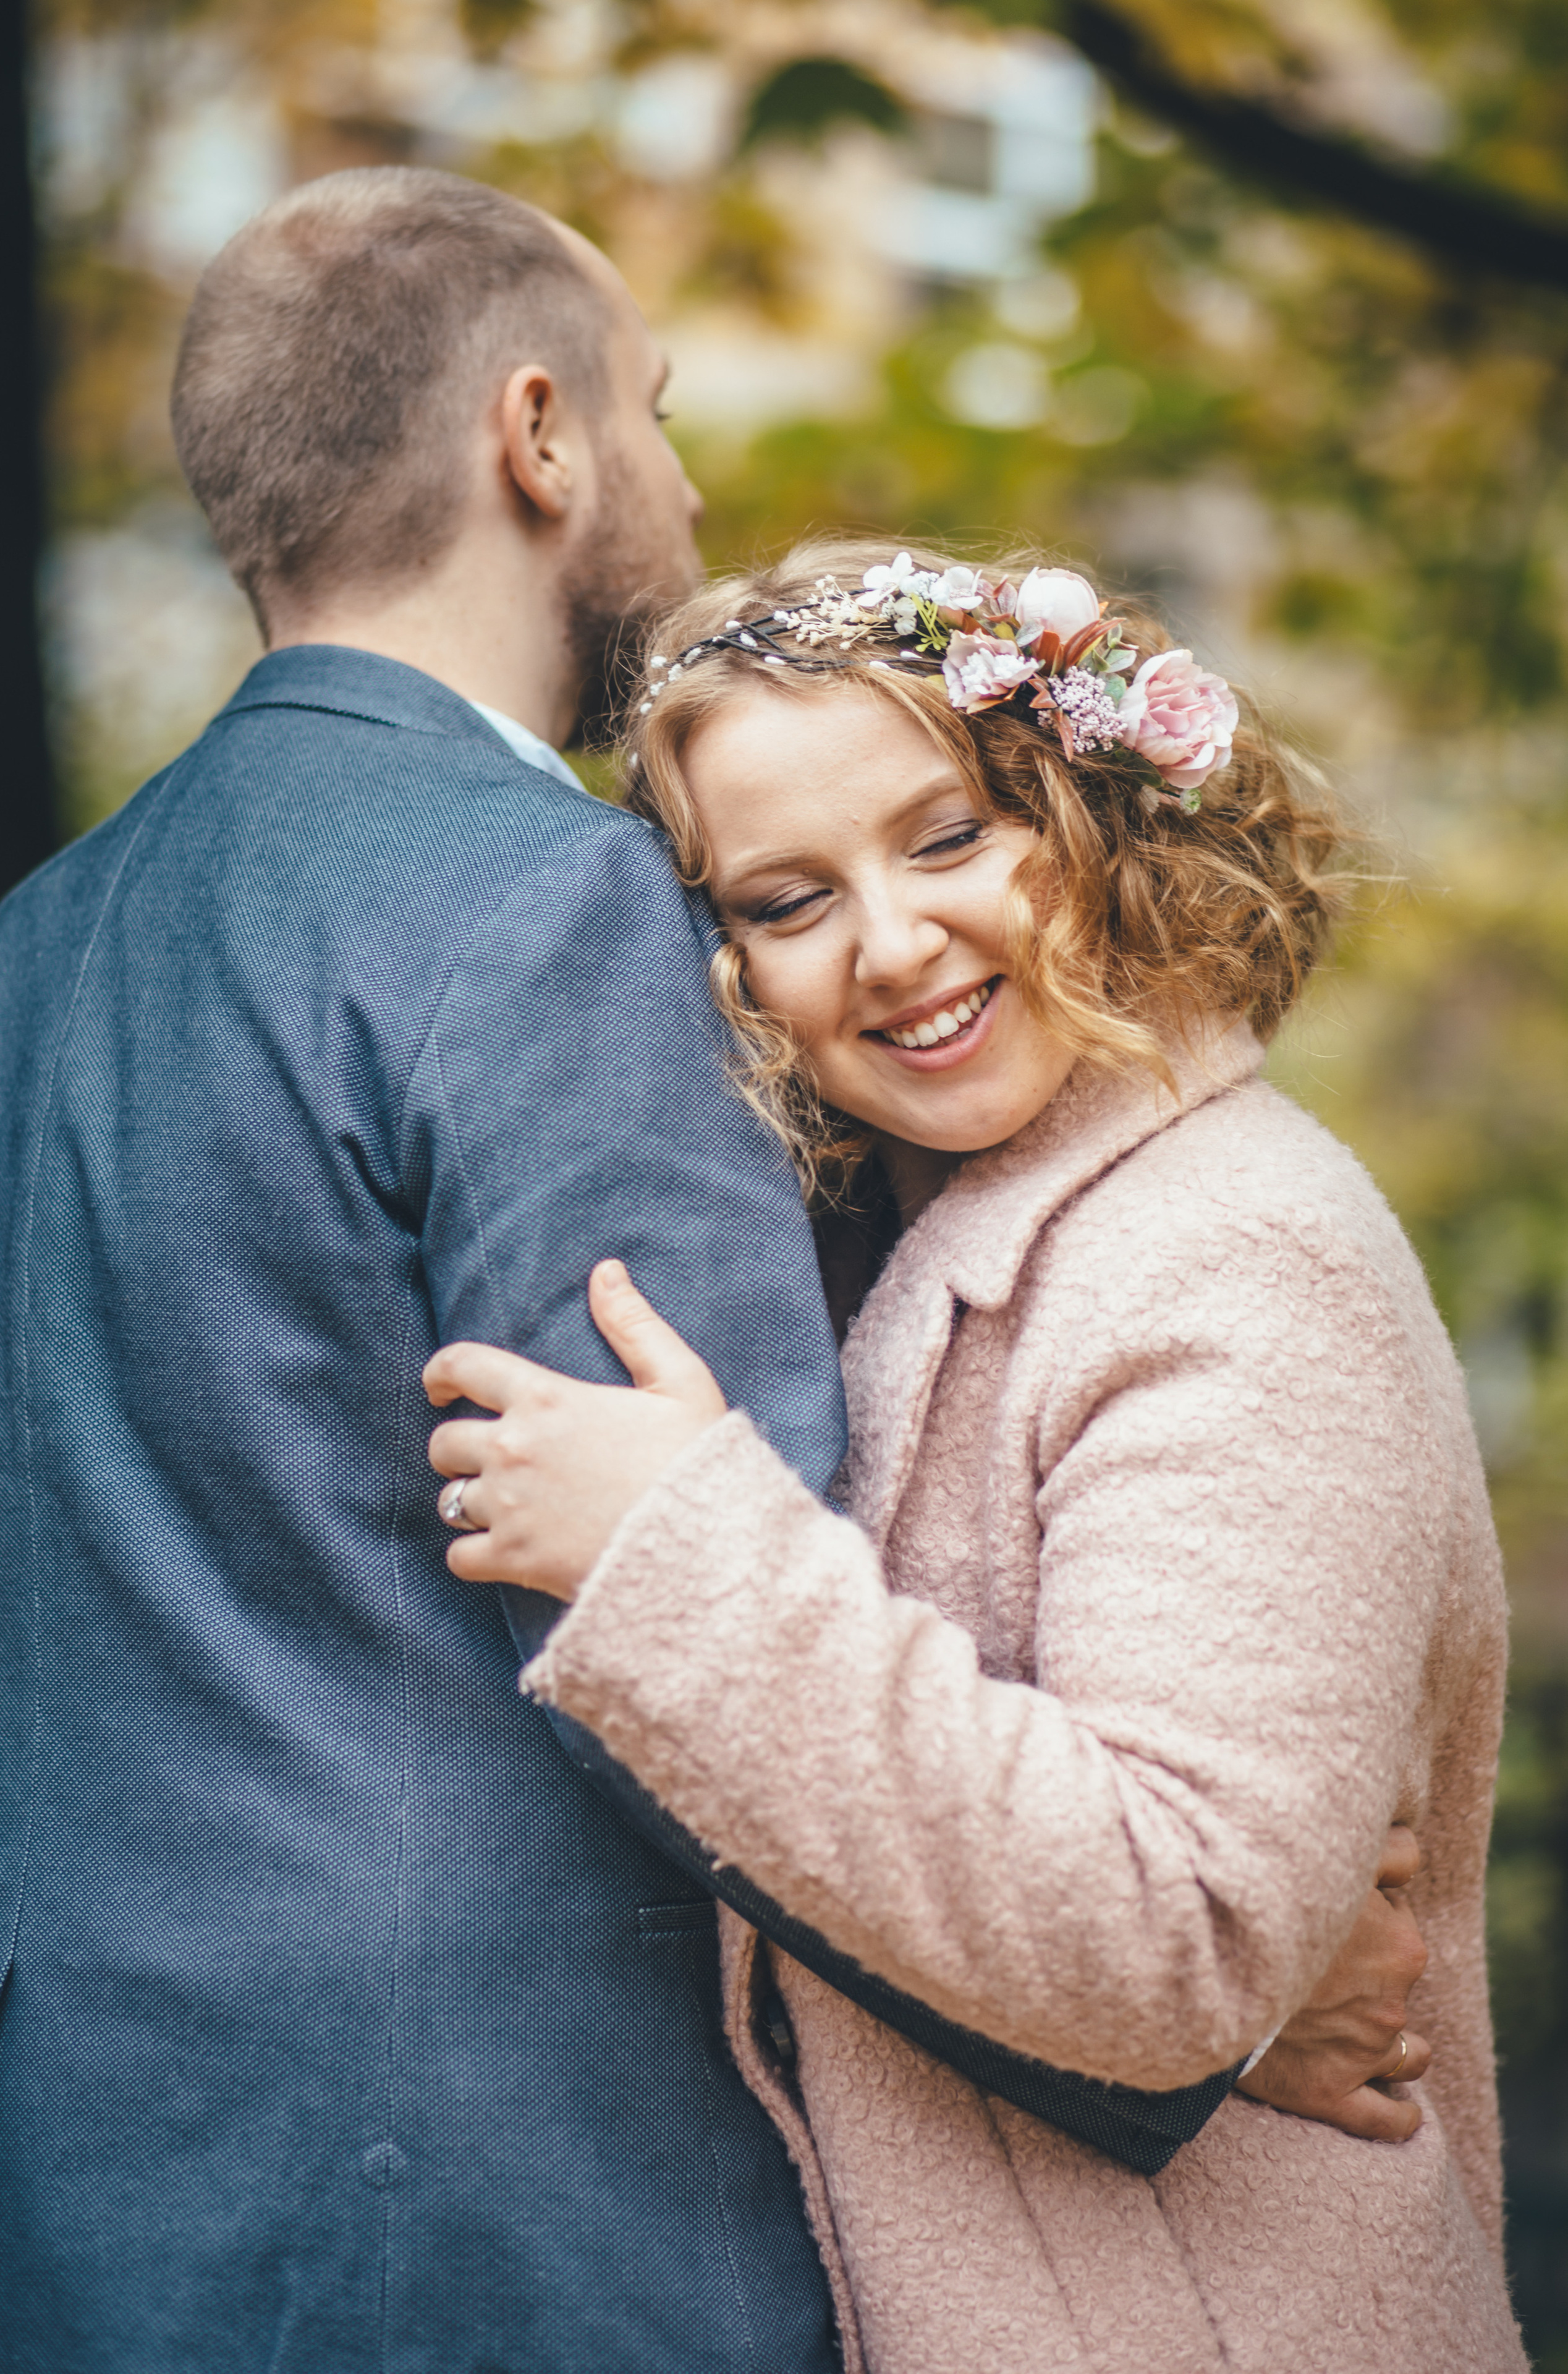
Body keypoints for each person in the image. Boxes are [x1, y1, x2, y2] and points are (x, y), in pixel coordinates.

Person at [0, 161, 1425, 2367]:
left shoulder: (35, 947)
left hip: (94, 2189)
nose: (677, 479)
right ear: (541, 438)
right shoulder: (546, 908)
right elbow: (696, 1636)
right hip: (519, 2211)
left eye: (950, 837)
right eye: (654, 411)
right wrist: (1193, 2022)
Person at [423, 540, 1528, 2373]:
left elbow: (1174, 1926)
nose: (894, 943)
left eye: (948, 839)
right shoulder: (953, 1244)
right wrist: (1259, 2007)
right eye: (788, 900)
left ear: (1088, 814)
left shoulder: (1234, 1254)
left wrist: (680, 1555)